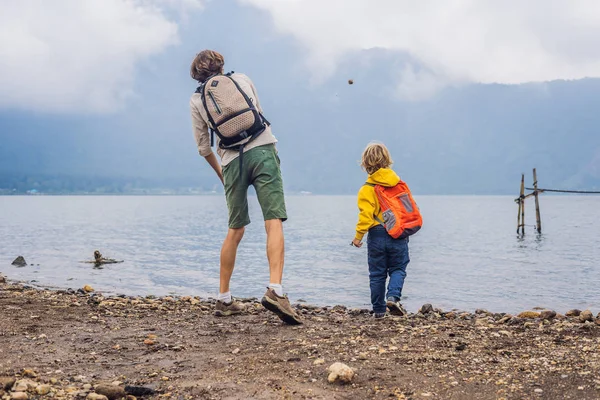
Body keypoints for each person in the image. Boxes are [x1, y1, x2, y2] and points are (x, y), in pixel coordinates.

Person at [189, 50, 301, 325]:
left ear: (197, 75)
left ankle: (224, 297)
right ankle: (275, 290)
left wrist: (222, 174)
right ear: (221, 65)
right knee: (273, 221)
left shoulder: (196, 101)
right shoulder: (241, 79)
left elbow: (203, 147)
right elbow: (258, 114)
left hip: (230, 162)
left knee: (235, 229)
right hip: (262, 150)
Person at [352, 143, 410, 318]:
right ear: (388, 161)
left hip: (377, 234)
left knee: (377, 274)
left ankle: (378, 310)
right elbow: (408, 208)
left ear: (365, 164)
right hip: (398, 233)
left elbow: (366, 217)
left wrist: (358, 237)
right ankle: (393, 296)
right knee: (398, 268)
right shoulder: (398, 184)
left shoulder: (367, 189)